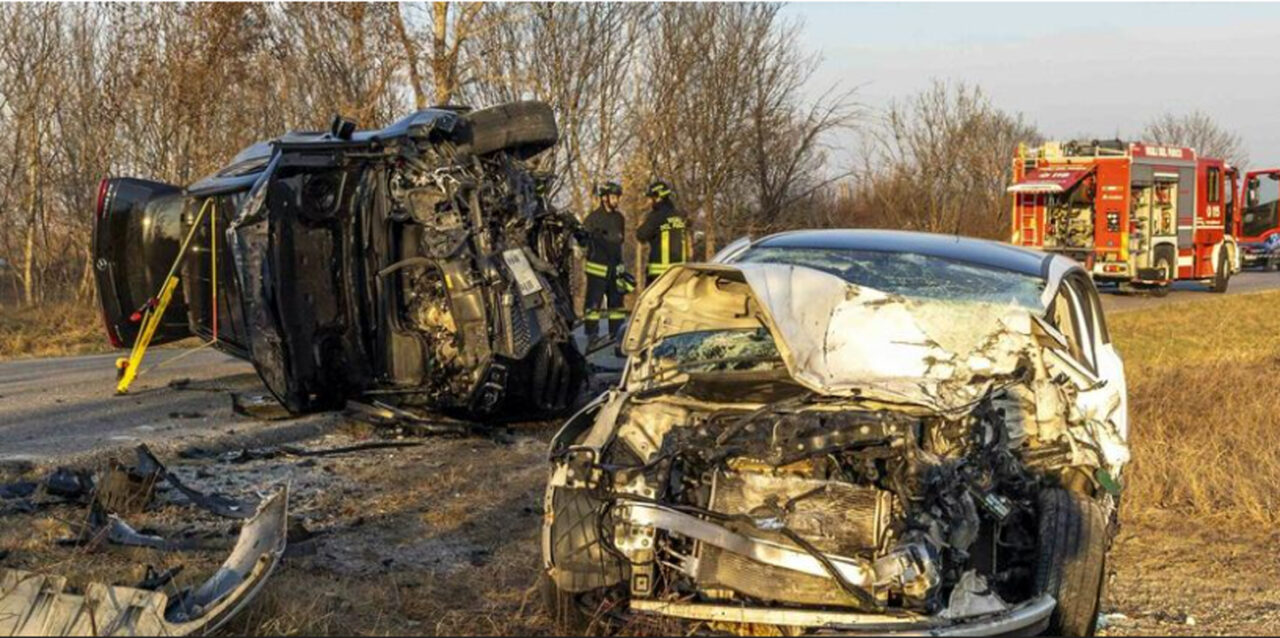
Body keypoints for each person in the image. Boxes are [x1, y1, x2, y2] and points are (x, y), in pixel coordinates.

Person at [582, 181, 630, 348]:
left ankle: (616, 335)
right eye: (613, 197)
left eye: (618, 197)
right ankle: (592, 336)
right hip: (597, 270)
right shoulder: (592, 219)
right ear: (604, 198)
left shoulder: (619, 218)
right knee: (593, 304)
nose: (617, 200)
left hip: (616, 269)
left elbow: (619, 240)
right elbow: (581, 241)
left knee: (616, 305)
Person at [636, 179, 691, 287]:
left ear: (658, 197)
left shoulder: (656, 216)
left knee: (651, 303)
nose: (649, 201)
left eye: (650, 198)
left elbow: (641, 235)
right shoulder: (680, 216)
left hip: (660, 274)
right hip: (680, 274)